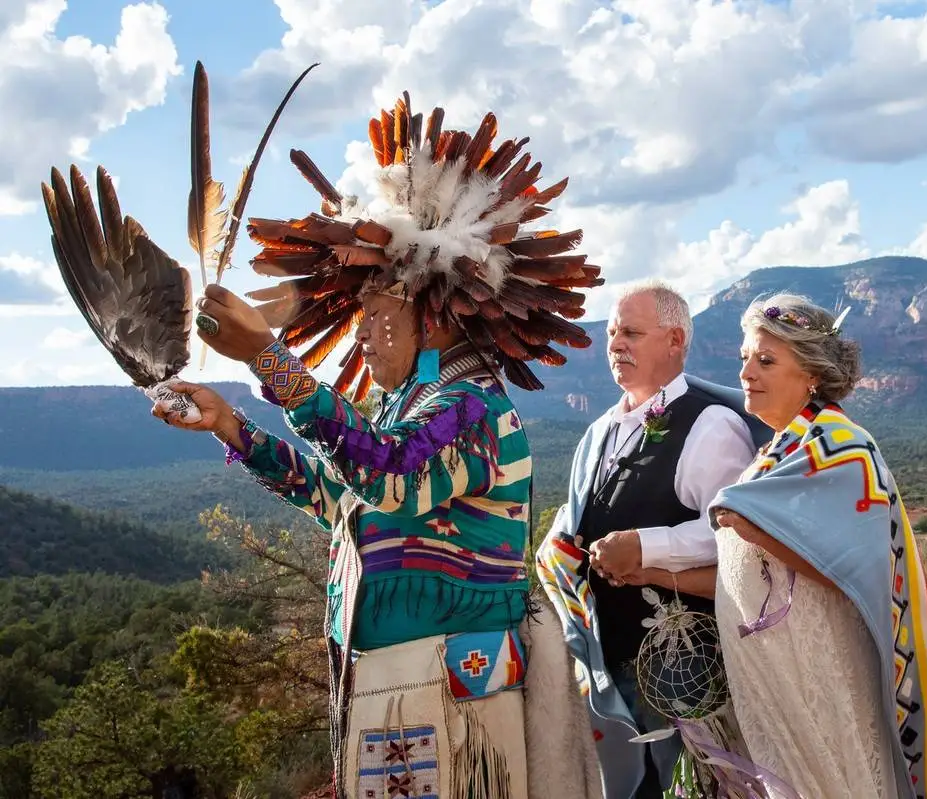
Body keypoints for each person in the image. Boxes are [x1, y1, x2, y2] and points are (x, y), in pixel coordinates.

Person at [153, 95, 605, 799]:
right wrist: (232, 428)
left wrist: (272, 360)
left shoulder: (470, 408)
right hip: (404, 685)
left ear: (429, 315)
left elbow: (392, 475)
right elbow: (342, 496)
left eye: (376, 317)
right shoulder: (414, 404)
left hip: (449, 694)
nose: (362, 337)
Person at [706, 293, 927, 798]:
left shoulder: (843, 445)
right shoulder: (780, 448)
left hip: (825, 670)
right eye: (745, 359)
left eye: (766, 361)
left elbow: (861, 564)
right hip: (782, 672)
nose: (747, 372)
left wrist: (755, 529)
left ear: (812, 376)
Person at [536, 279, 763, 799]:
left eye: (632, 333)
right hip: (610, 655)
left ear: (676, 340)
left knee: (696, 784)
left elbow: (733, 529)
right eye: (613, 332)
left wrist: (645, 546)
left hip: (685, 662)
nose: (616, 343)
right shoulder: (600, 431)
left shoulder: (709, 424)